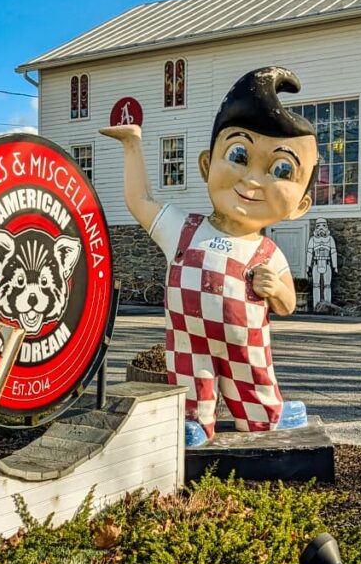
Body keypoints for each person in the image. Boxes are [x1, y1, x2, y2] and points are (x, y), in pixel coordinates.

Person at [101, 67, 318, 446]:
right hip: (189, 341)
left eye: (280, 170)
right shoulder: (183, 228)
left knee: (254, 384)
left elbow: (287, 304)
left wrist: (275, 290)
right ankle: (194, 421)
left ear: (300, 205)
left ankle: (265, 415)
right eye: (238, 155)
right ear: (206, 165)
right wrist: (132, 146)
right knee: (189, 384)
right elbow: (140, 201)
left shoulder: (267, 251)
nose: (252, 180)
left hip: (245, 345)